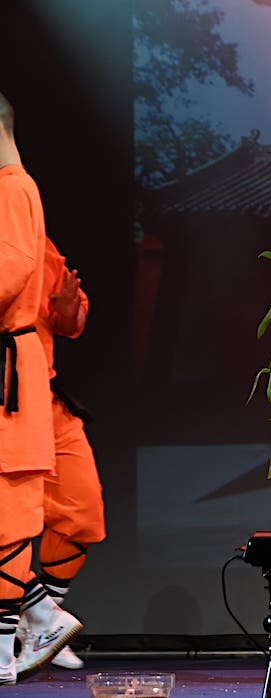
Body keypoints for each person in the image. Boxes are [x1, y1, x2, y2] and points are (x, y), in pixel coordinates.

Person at [0, 91, 81, 686]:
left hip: (17, 375)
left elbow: (9, 275)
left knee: (10, 509)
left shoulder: (11, 187)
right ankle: (41, 616)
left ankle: (15, 638)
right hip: (15, 369)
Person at [14, 237, 104, 672]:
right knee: (8, 525)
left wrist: (67, 309)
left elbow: (71, 321)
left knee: (81, 513)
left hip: (44, 399)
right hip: (7, 396)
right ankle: (36, 616)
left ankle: (39, 624)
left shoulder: (31, 237)